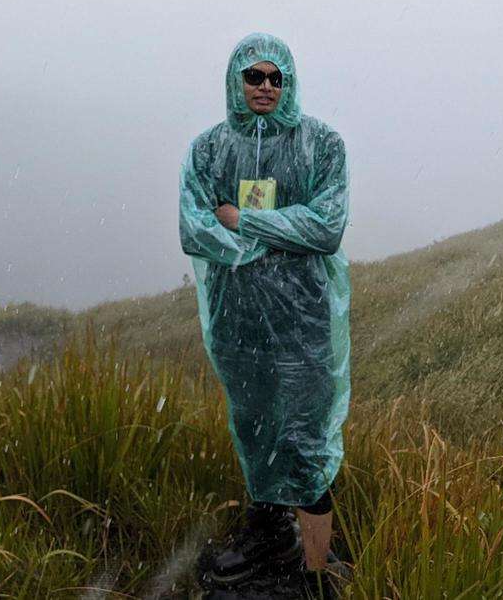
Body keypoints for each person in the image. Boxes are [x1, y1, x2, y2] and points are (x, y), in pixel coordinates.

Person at [179, 33, 351, 597]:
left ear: (290, 83)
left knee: (302, 442)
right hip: (240, 325)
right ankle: (268, 540)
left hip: (304, 325)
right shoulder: (208, 150)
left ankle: (315, 574)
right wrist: (280, 231)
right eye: (255, 76)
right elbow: (195, 228)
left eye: (276, 78)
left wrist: (246, 223)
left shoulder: (322, 144)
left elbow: (325, 229)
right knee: (255, 433)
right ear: (236, 80)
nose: (266, 87)